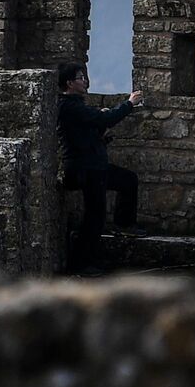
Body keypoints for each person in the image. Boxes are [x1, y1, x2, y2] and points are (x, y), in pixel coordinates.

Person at [58, 63, 145, 272]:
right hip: (84, 168)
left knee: (128, 181)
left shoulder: (75, 105)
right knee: (94, 216)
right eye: (80, 78)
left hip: (93, 165)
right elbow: (105, 119)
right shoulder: (69, 106)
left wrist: (100, 136)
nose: (85, 81)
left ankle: (124, 225)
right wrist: (129, 104)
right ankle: (80, 264)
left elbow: (87, 131)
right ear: (69, 83)